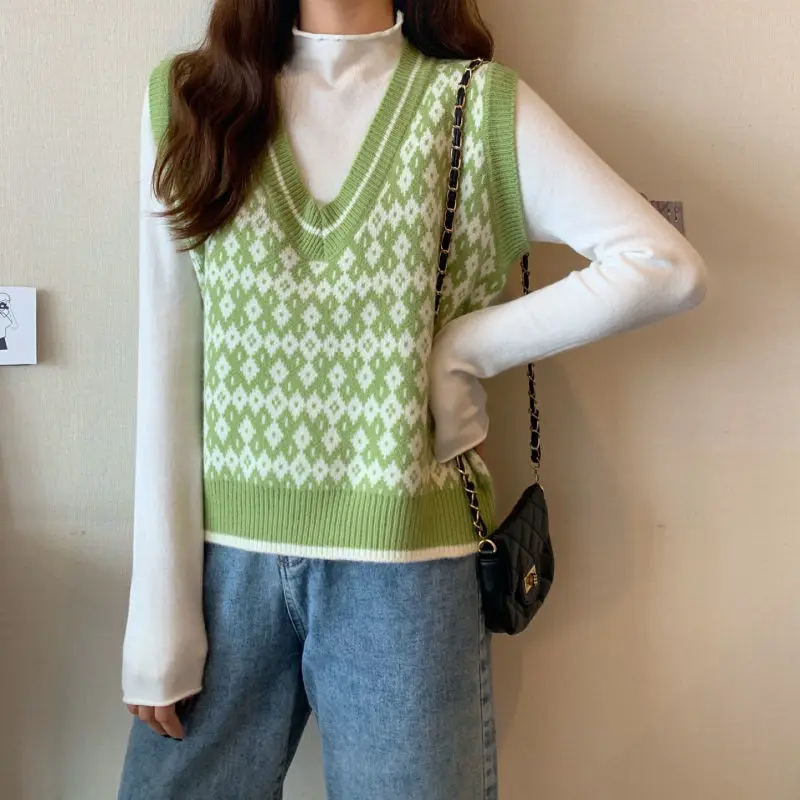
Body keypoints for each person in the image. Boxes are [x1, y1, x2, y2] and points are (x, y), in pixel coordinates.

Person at [119, 1, 707, 798]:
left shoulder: (472, 106)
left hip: (407, 572)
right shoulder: (192, 100)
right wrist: (156, 617)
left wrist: (463, 349)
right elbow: (166, 359)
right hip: (221, 572)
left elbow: (664, 267)